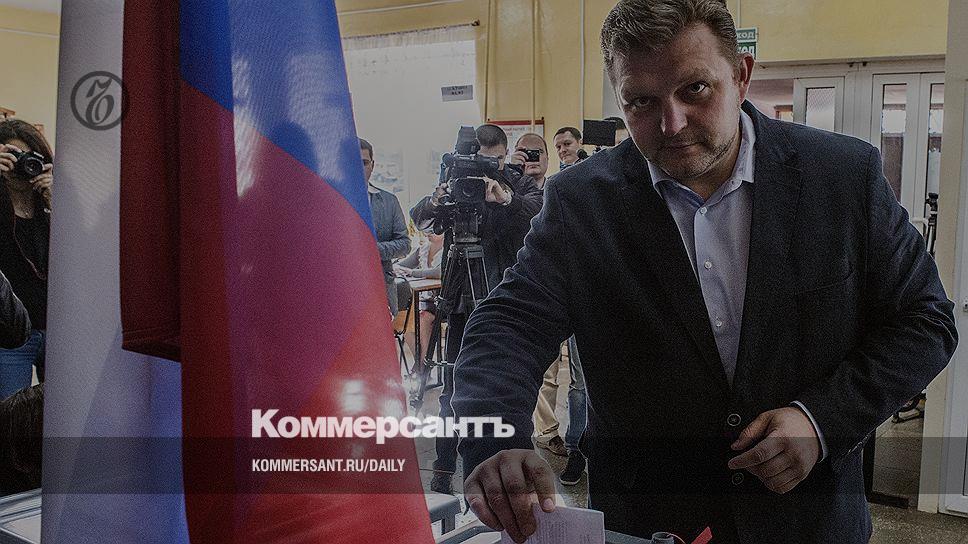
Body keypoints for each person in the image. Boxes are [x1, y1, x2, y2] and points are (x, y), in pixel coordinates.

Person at [453, 1, 958, 543]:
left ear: (741, 76)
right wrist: (496, 439)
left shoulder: (841, 176)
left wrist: (820, 420)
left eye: (695, 89)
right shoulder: (582, 201)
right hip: (651, 521)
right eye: (641, 102)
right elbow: (508, 324)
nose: (671, 124)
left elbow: (925, 320)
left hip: (807, 520)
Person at [411, 124, 542, 494]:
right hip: (458, 302)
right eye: (474, 163)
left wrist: (506, 199)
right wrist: (437, 199)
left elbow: (538, 213)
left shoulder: (516, 182)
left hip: (500, 301)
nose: (479, 175)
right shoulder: (454, 181)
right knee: (452, 389)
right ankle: (443, 465)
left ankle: (506, 466)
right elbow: (420, 219)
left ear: (502, 156)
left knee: (502, 387)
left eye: (490, 163)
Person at [509, 133, 589, 483]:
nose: (532, 157)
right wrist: (509, 177)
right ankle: (547, 433)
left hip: (572, 292)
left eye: (537, 152)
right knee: (545, 375)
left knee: (579, 380)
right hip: (532, 293)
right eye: (523, 153)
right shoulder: (506, 189)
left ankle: (576, 446)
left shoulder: (563, 187)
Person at [0, 120, 52, 398]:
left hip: (58, 329)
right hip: (10, 333)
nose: (21, 164)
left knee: (63, 412)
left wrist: (58, 201)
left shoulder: (55, 201)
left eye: (29, 157)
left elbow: (83, 257)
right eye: (14, 155)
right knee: (10, 414)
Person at [360, 138, 410, 316]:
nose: (359, 168)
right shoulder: (330, 202)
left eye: (364, 163)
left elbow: (404, 245)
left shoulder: (389, 201)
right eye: (353, 162)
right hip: (342, 290)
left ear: (372, 165)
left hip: (381, 289)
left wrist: (371, 249)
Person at [394, 231, 444, 359]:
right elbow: (401, 265)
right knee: (405, 319)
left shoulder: (449, 249)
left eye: (433, 230)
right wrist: (394, 268)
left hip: (442, 301)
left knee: (422, 317)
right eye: (427, 230)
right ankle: (420, 362)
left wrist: (412, 272)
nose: (429, 233)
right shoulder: (423, 249)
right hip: (424, 300)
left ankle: (423, 364)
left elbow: (440, 272)